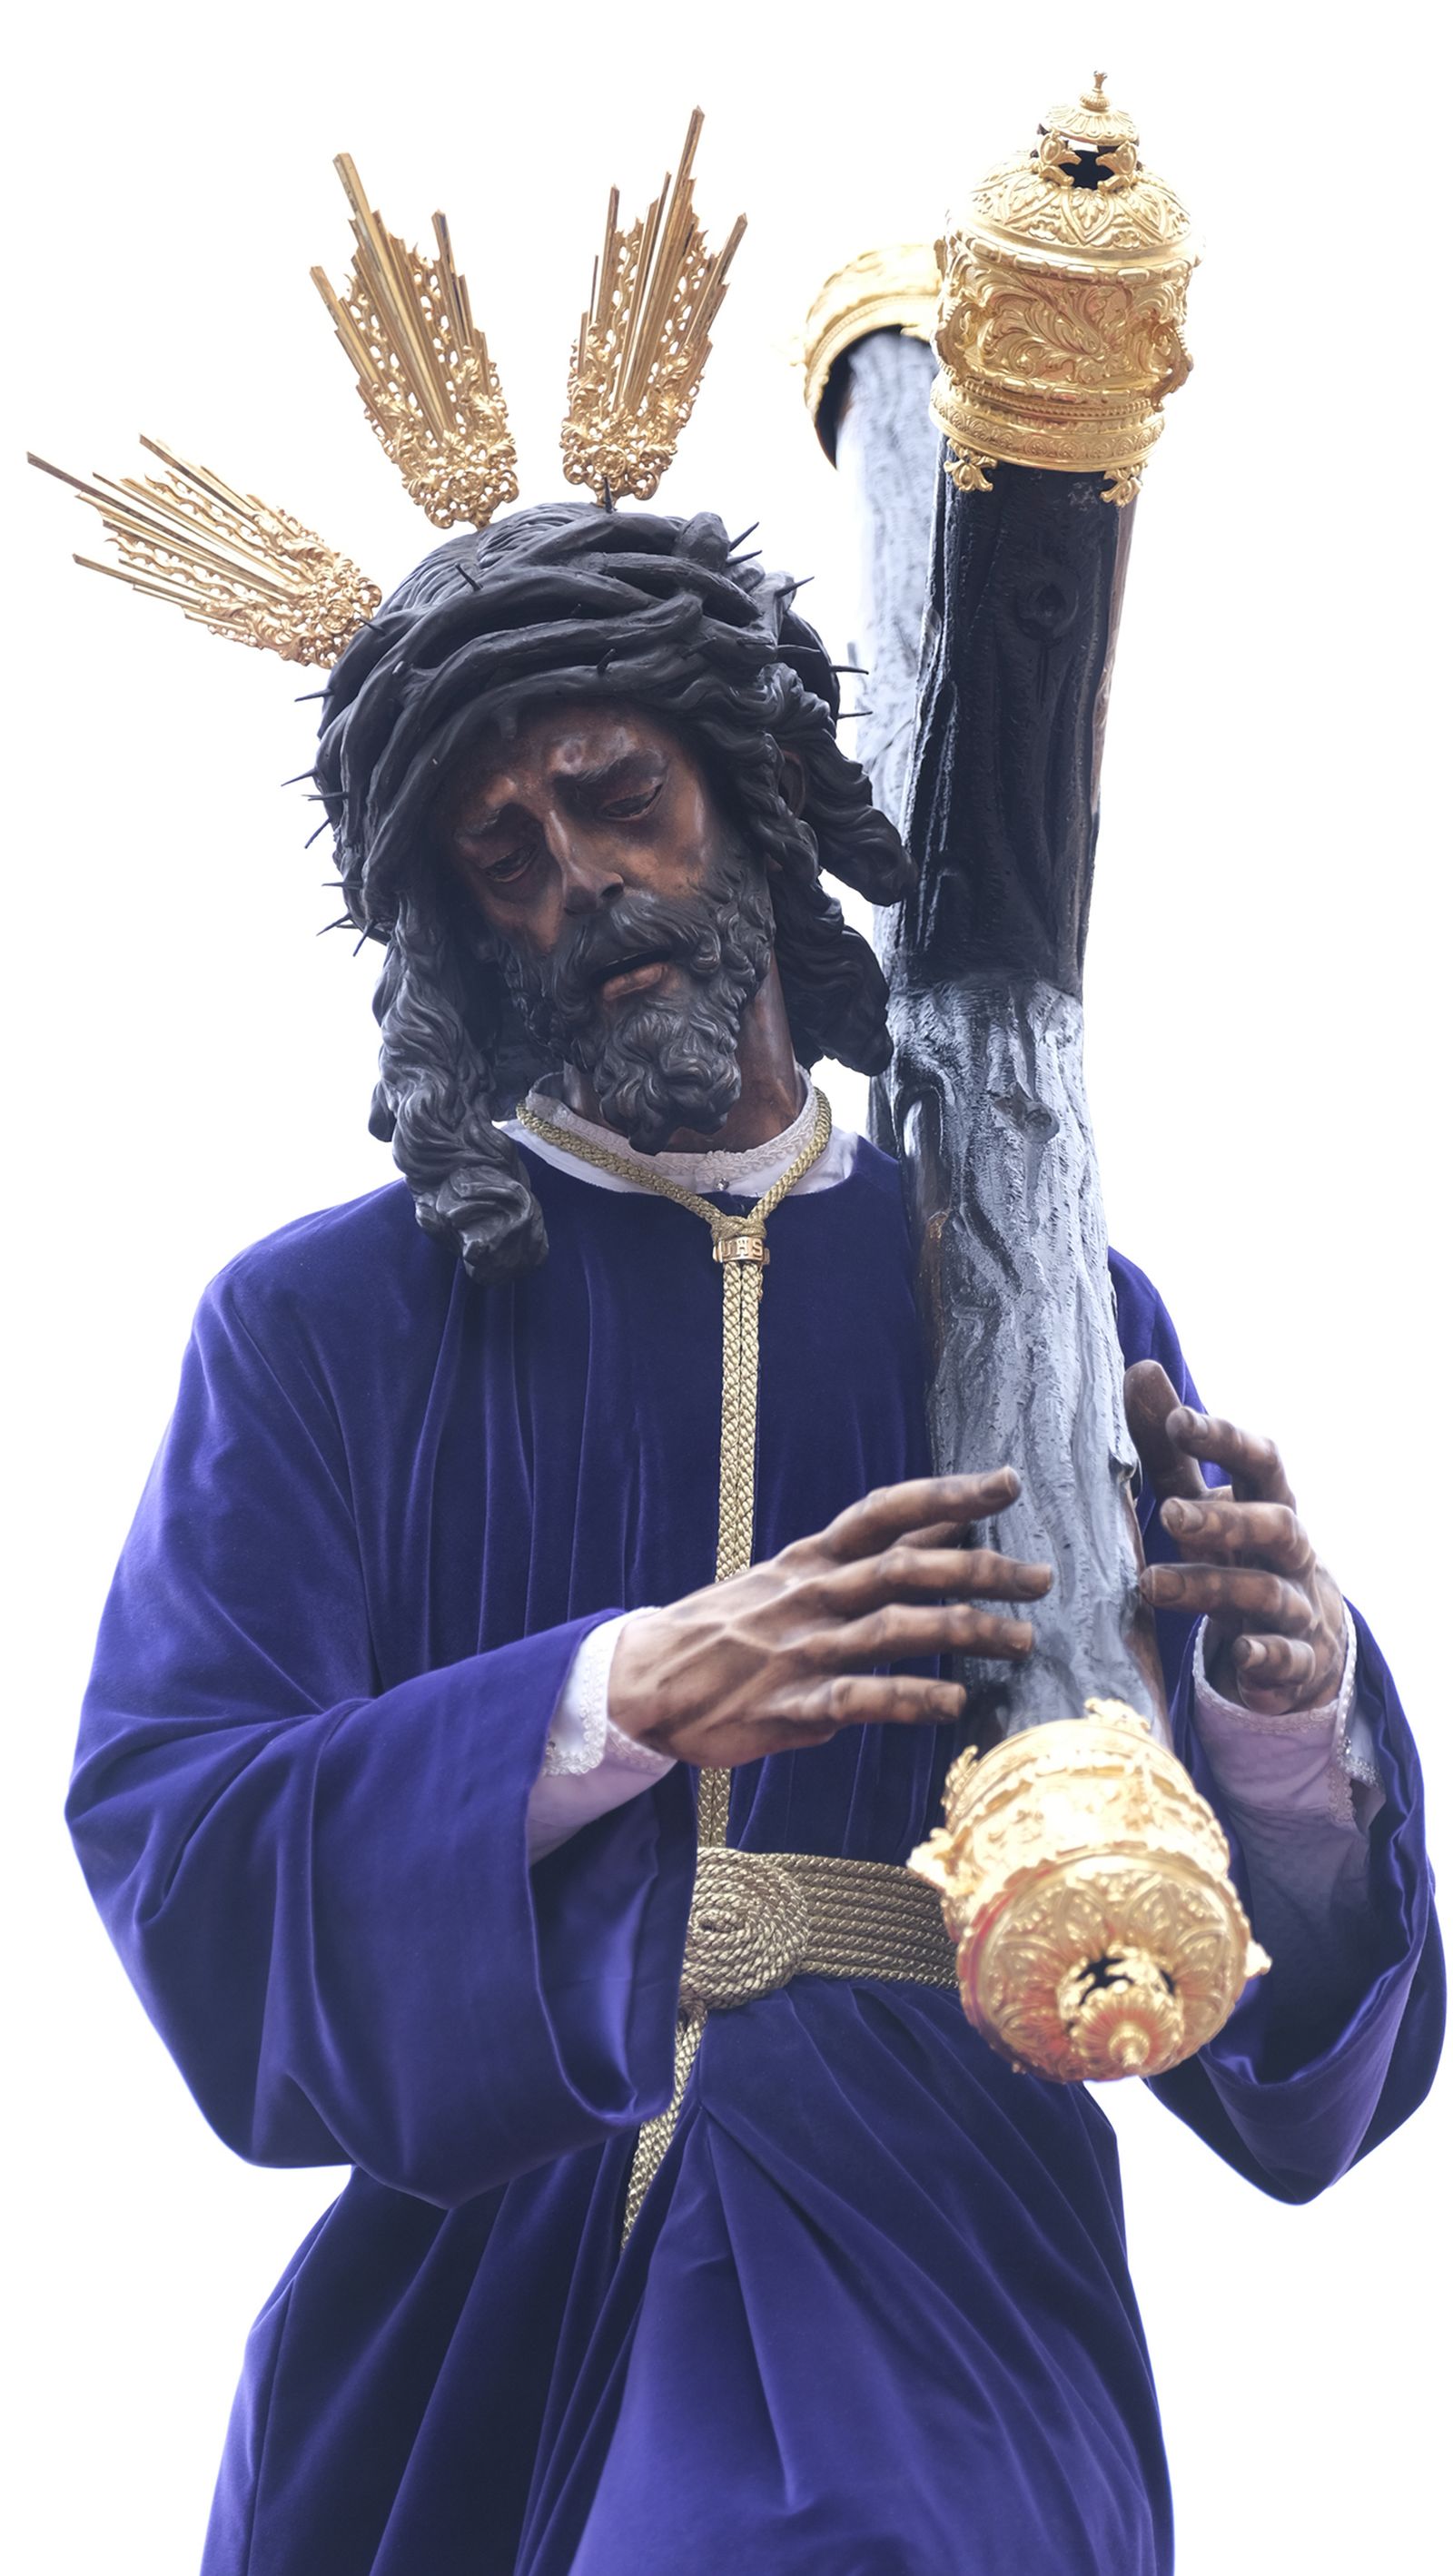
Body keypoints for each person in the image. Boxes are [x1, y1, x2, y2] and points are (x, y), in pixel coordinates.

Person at [69, 503, 1441, 2576]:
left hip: (932, 2263)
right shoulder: (322, 1328)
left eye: (617, 794)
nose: (580, 873)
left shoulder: (1029, 1297)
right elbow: (180, 1841)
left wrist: (1272, 1744)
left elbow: (1257, 2032)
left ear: (748, 789)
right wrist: (607, 1697)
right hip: (471, 2311)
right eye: (503, 856)